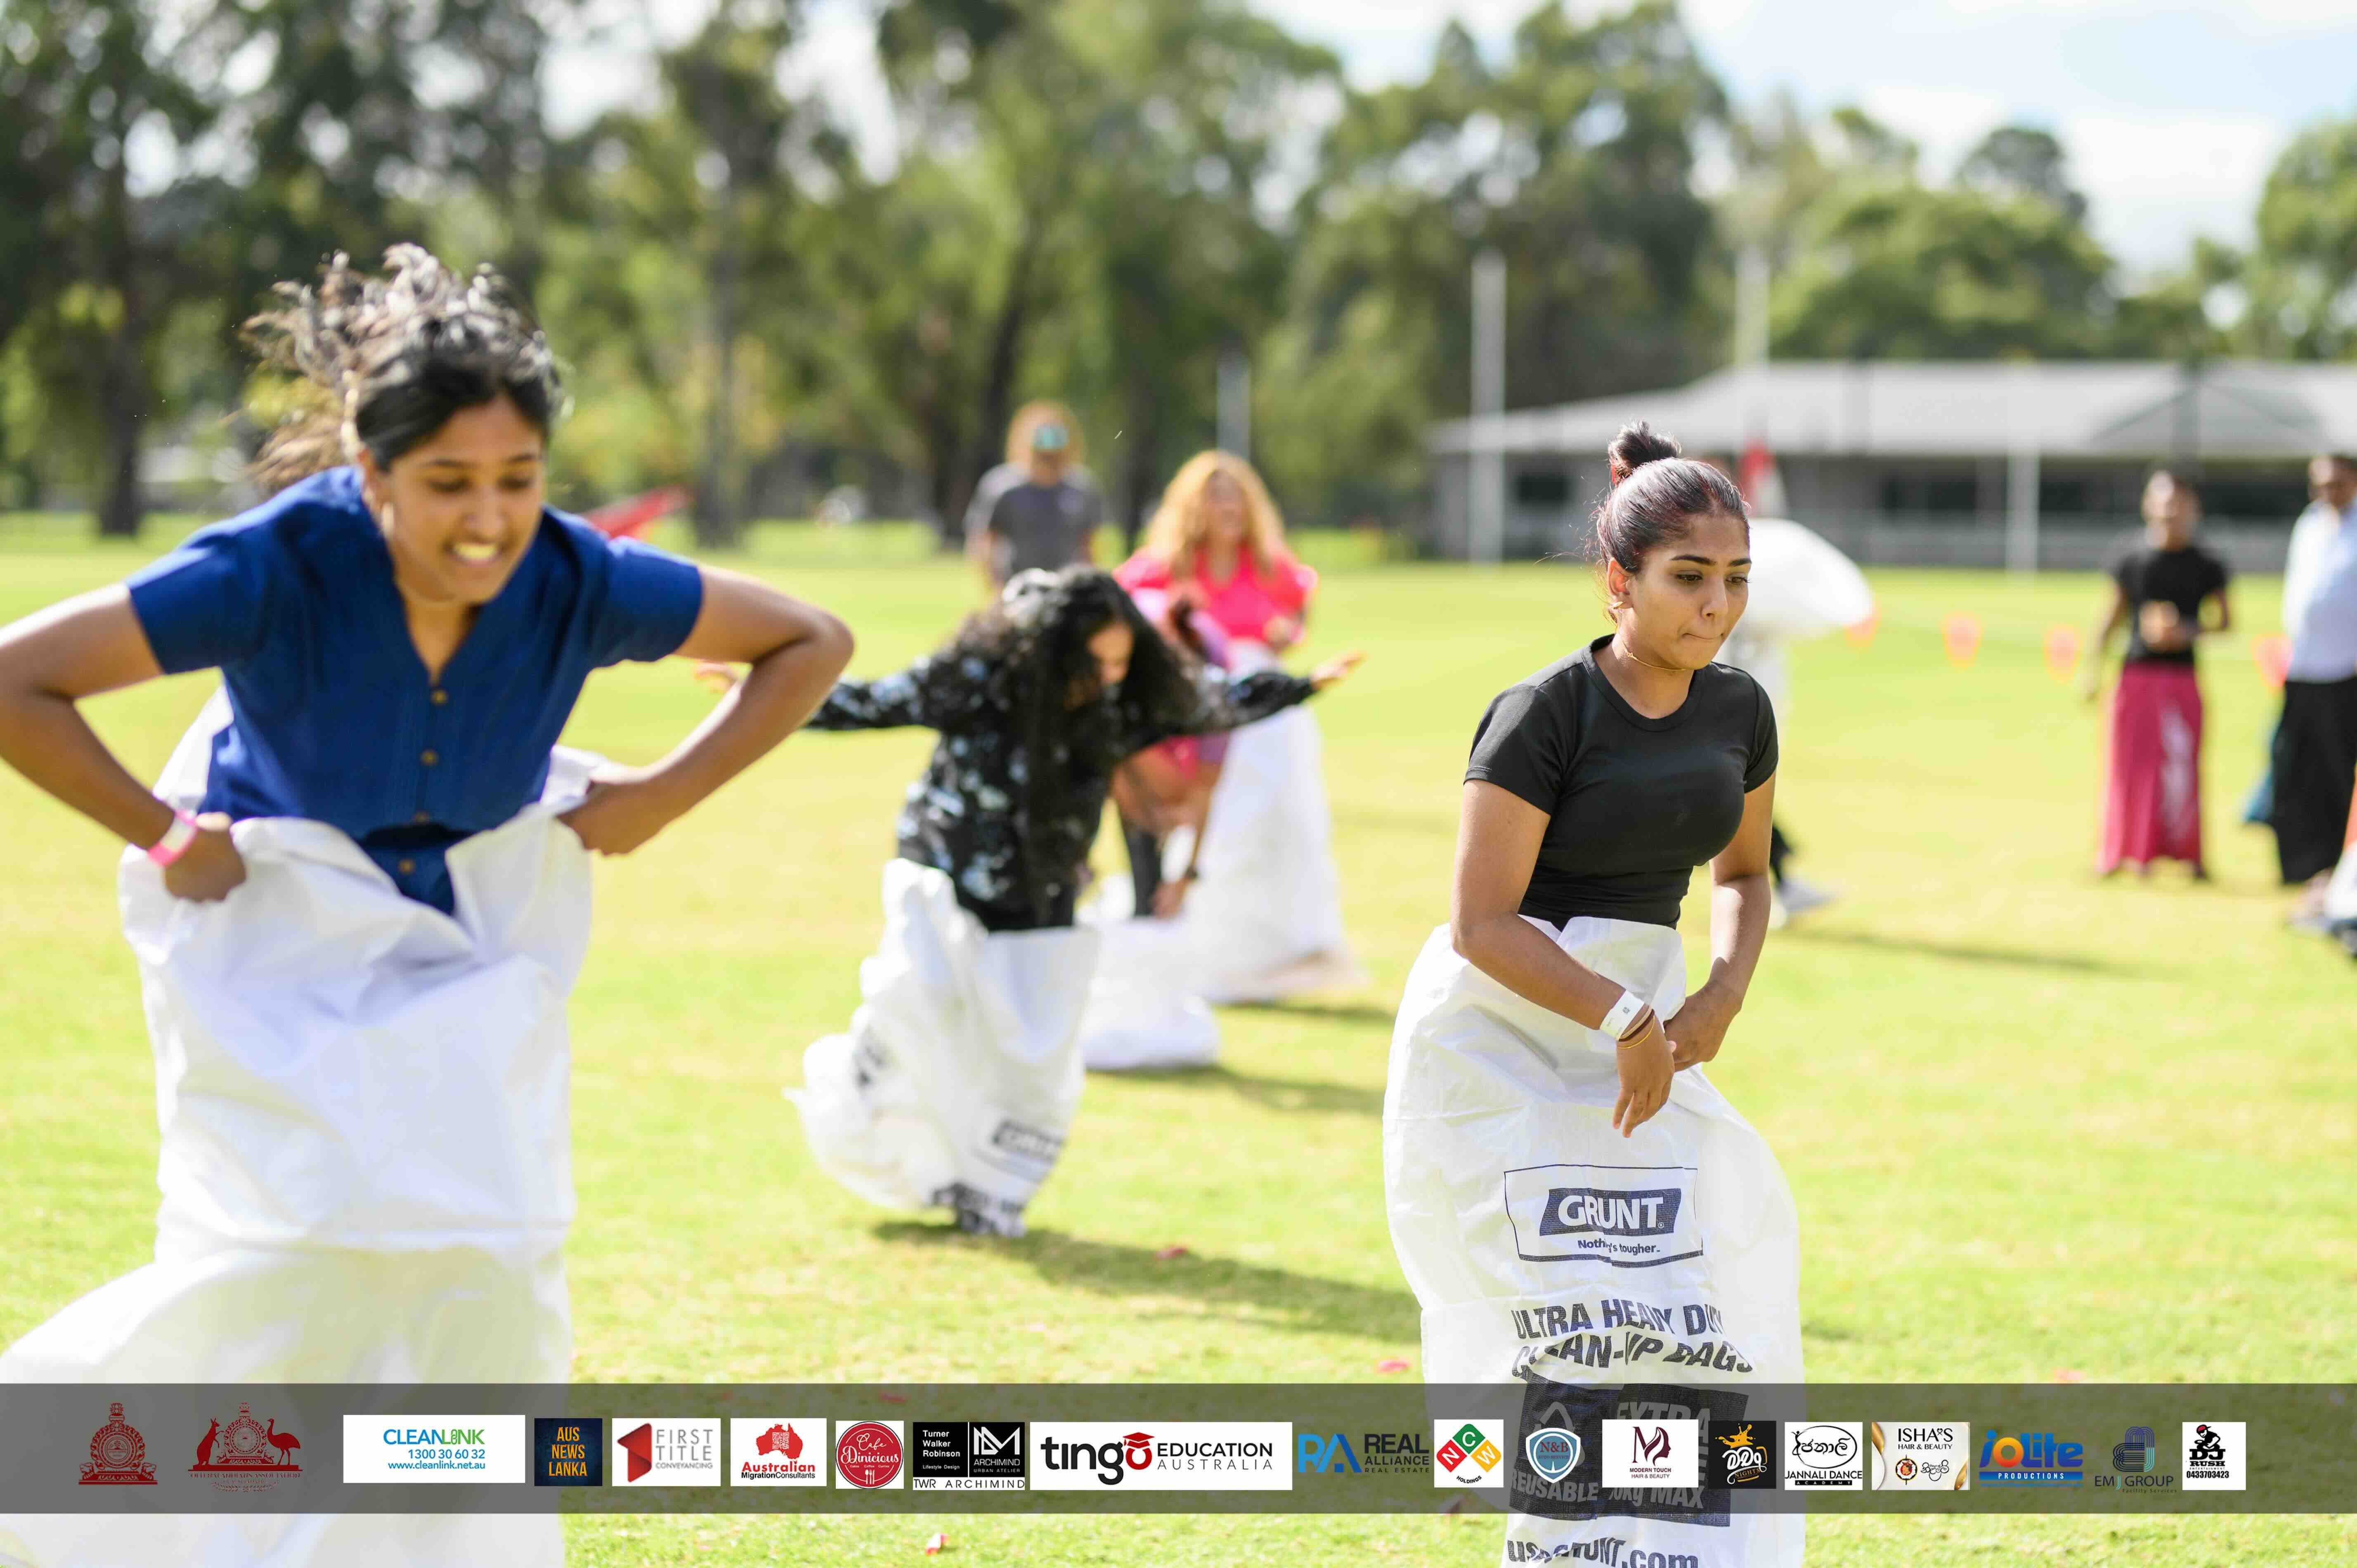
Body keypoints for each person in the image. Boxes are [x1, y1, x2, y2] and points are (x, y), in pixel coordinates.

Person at [0, 248, 852, 1567]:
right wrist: (167, 837)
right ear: (373, 472)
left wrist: (660, 797)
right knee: (296, 1246)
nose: (489, 519)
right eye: (449, 482)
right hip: (275, 925)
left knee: (491, 1246)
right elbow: (18, 681)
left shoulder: (576, 577)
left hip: (477, 927)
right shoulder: (274, 569)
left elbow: (810, 641)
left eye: (519, 479)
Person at [1383, 423, 1801, 1568]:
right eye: (1687, 576)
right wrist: (1623, 1017)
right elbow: (1479, 923)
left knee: (1682, 1312)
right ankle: (1563, 1541)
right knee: (1567, 1324)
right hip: (1500, 1035)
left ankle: (1677, 1550)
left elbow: (1744, 873)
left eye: (1734, 579)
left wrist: (1719, 994)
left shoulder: (1739, 710)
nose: (1715, 605)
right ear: (1617, 580)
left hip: (1644, 1034)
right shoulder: (1543, 711)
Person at [783, 567, 1358, 1236]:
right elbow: (877, 701)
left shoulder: (1119, 705)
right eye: (1097, 661)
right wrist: (766, 699)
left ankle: (991, 1190)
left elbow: (1209, 702)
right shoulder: (981, 680)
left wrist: (1300, 686)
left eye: (1121, 661)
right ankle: (881, 1110)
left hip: (1042, 893)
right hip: (946, 877)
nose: (1110, 676)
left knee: (1029, 1056)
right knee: (925, 1013)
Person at [1116, 451, 1361, 1000]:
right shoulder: (1164, 567)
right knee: (1221, 816)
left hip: (1270, 716)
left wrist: (1285, 635)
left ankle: (1278, 949)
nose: (1228, 507)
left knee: (1280, 820)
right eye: (1215, 496)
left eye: (1235, 496)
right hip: (1204, 710)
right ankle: (1203, 941)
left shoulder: (1270, 566)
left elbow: (1295, 615)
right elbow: (1129, 609)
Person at [2080, 470, 2232, 879]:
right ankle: (2124, 852)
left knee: (2181, 766)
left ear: (2192, 507)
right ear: (2148, 504)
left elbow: (2225, 622)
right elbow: (2109, 617)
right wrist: (2091, 669)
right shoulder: (2130, 556)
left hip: (2182, 676)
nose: (2170, 510)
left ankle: (2187, 853)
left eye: (2179, 502)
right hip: (2136, 674)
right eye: (2162, 501)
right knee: (2128, 766)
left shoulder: (2206, 562)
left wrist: (2186, 631)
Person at [2270, 454, 2357, 928]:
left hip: (2345, 673)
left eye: (2336, 483)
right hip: (2302, 667)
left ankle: (2336, 874)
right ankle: (2309, 870)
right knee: (2294, 770)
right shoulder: (2308, 525)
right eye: (2319, 484)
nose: (2326, 492)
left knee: (2338, 775)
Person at [963, 400, 1104, 590]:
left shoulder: (1082, 489)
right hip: (1016, 589)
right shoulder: (1002, 487)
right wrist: (996, 588)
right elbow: (984, 542)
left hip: (1066, 591)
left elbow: (1088, 547)